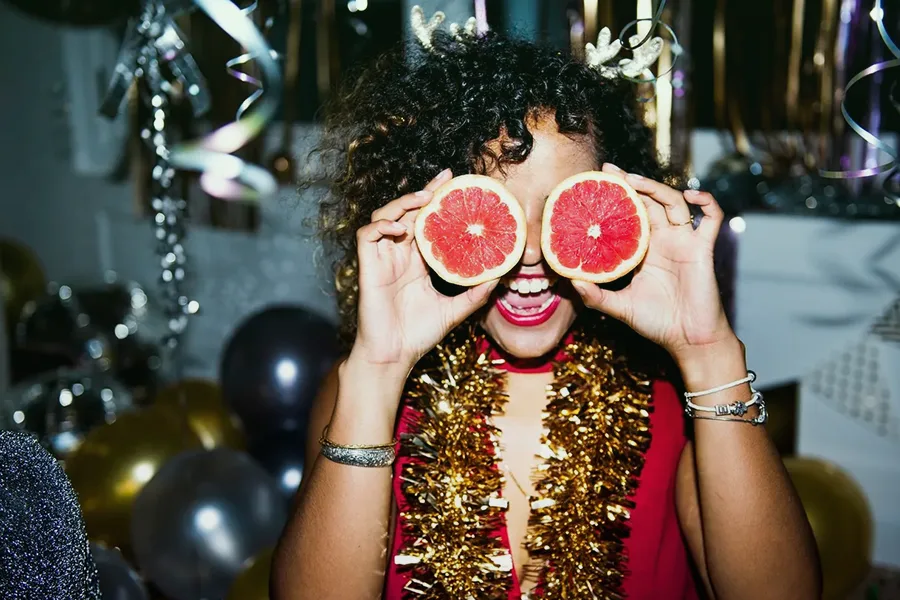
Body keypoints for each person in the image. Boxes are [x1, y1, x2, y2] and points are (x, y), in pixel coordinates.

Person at [272, 8, 820, 600]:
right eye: (496, 214)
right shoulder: (365, 395)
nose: (531, 253)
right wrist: (378, 373)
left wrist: (710, 355)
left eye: (562, 208)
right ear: (437, 216)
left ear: (617, 208)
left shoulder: (671, 396)